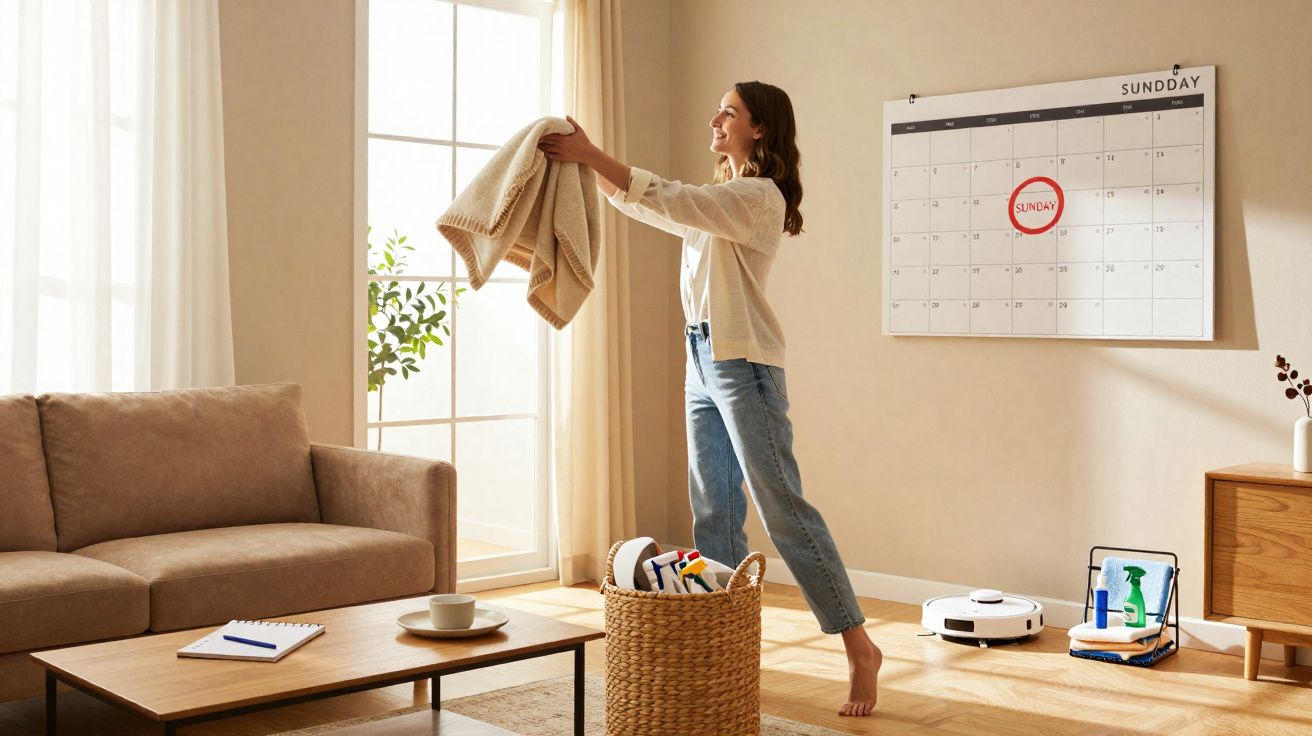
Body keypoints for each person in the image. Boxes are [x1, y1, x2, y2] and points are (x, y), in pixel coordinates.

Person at [538, 81, 881, 717]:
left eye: (729, 111)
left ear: (759, 128)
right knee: (713, 514)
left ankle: (859, 646)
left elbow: (672, 198)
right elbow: (656, 208)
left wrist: (591, 155)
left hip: (743, 364)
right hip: (700, 358)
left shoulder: (757, 196)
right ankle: (722, 650)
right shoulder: (720, 202)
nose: (715, 119)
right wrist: (592, 167)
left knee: (783, 510)